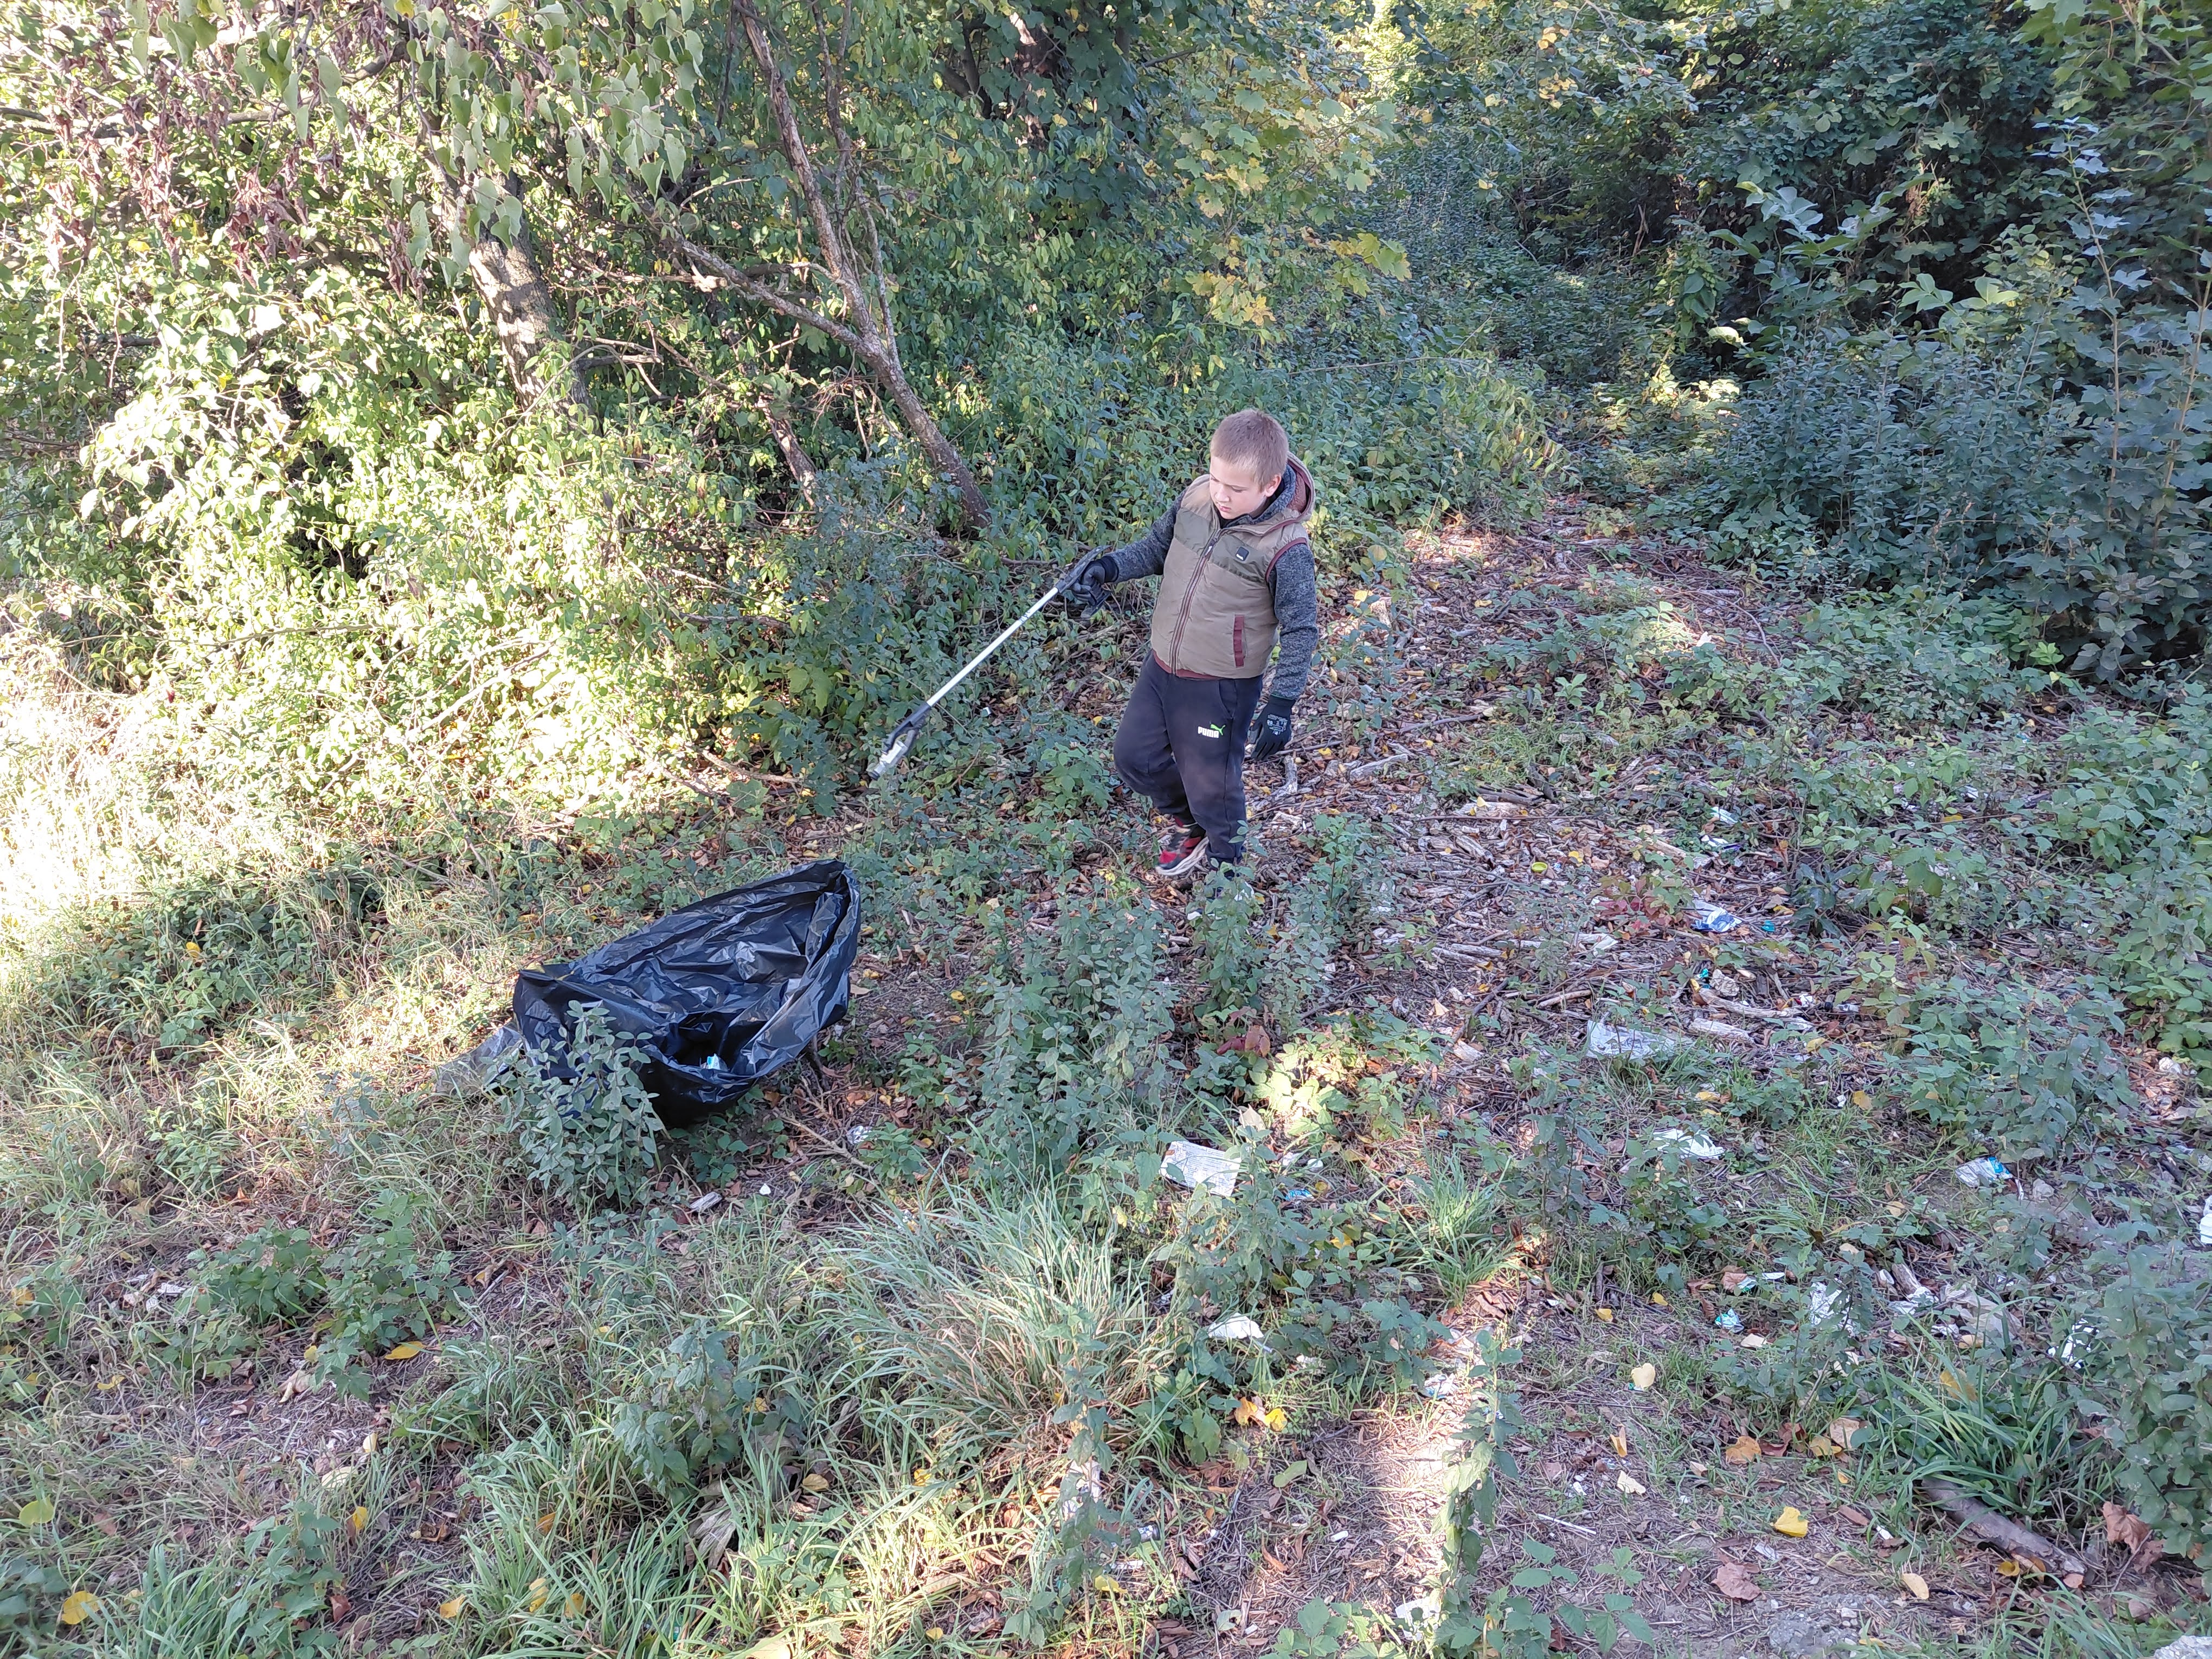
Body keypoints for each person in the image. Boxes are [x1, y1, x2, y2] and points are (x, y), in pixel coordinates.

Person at [1063, 408, 1319, 879]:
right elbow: (1155, 549)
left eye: (1235, 488)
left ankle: (1227, 873)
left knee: (1213, 788)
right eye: (1216, 478)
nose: (1221, 494)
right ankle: (1190, 824)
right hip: (1163, 664)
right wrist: (1108, 568)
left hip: (1222, 685)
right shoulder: (1197, 499)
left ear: (1270, 485)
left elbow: (1302, 627)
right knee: (1134, 759)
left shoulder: (1286, 547)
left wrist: (1282, 703)